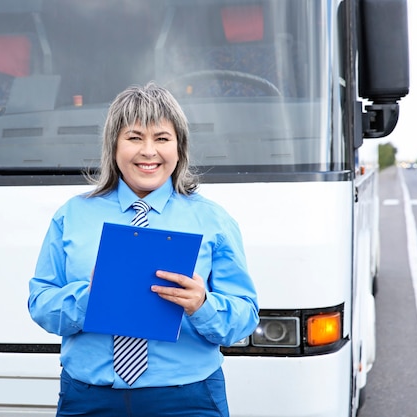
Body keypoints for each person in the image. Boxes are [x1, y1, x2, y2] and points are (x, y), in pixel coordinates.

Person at [28, 82, 259, 417]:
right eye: (134, 137)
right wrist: (89, 298)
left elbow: (245, 315)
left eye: (162, 139)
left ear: (179, 148)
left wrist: (203, 304)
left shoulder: (213, 220)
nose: (148, 151)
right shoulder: (72, 215)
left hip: (188, 400)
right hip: (89, 400)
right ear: (114, 146)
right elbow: (40, 302)